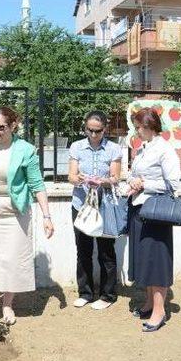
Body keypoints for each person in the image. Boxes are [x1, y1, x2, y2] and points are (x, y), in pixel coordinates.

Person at [0, 106, 54, 326]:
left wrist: (46, 216)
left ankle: (7, 305)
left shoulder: (26, 150)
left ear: (13, 125)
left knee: (12, 261)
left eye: (0, 127)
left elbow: (36, 184)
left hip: (16, 215)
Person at [127, 107, 180, 332]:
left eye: (138, 127)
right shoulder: (143, 148)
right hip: (139, 209)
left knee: (156, 262)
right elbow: (134, 173)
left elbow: (173, 185)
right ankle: (149, 303)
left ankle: (159, 311)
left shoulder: (165, 150)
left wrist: (144, 184)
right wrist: (132, 181)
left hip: (156, 213)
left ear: (149, 126)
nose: (136, 131)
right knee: (144, 259)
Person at [68, 110, 123, 310]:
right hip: (81, 205)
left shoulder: (114, 149)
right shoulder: (76, 147)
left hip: (104, 205)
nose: (93, 134)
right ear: (85, 128)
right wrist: (81, 179)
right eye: (89, 130)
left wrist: (103, 181)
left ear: (104, 129)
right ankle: (86, 293)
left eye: (97, 131)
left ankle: (108, 295)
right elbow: (71, 177)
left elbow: (116, 178)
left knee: (106, 251)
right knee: (83, 250)